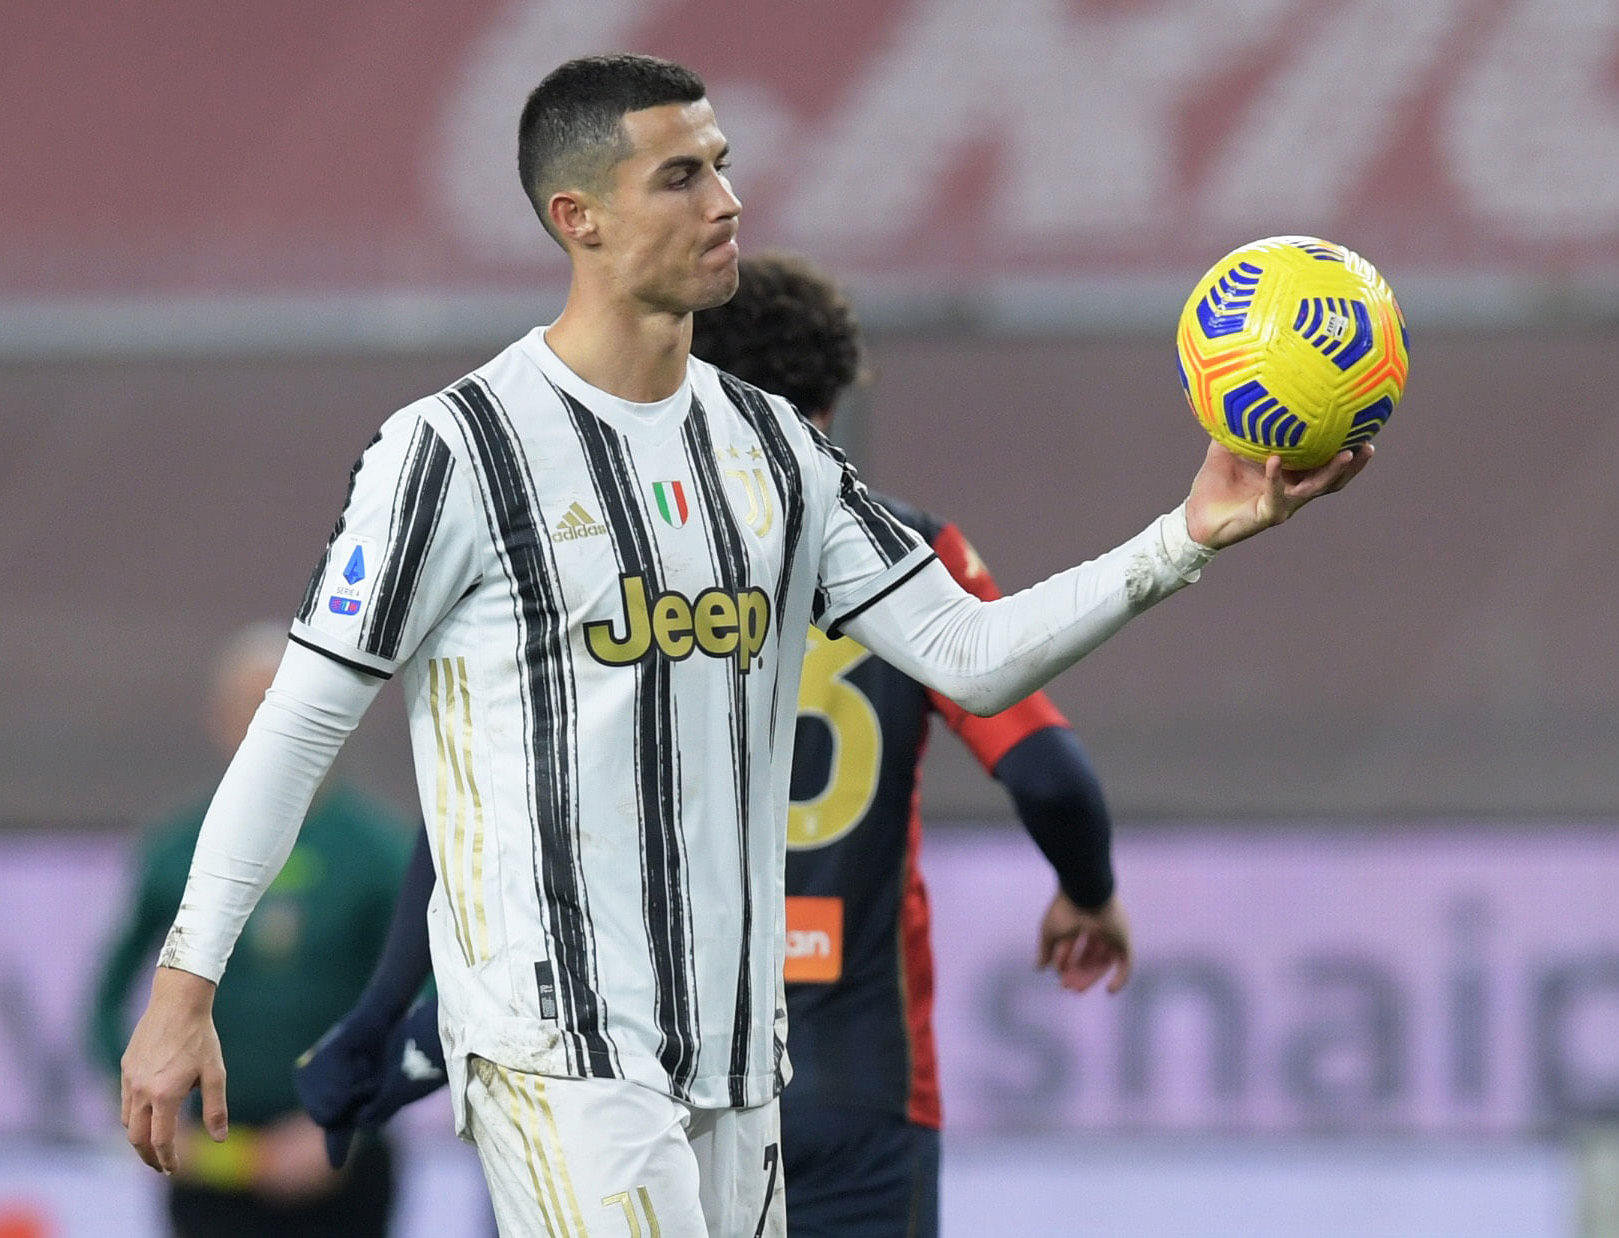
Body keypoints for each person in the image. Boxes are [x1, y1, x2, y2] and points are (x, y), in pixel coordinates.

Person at [119, 52, 1371, 1238]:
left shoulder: (775, 447)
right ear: (580, 217)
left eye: (721, 165)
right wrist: (185, 989)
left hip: (740, 1051)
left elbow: (971, 653)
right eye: (682, 175)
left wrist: (1188, 535)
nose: (728, 202)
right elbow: (299, 727)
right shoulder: (454, 452)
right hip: (563, 1051)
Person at [291, 252, 1137, 1236]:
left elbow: (478, 806)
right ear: (832, 399)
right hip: (859, 1079)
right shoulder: (911, 553)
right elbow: (1049, 774)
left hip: (616, 1060)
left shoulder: (610, 560)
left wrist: (384, 1006)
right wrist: (1089, 888)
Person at [89, 622, 409, 1238]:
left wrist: (351, 1119)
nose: (267, 730)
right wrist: (135, 1095)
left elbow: (422, 997)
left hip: (337, 1160)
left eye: (283, 708)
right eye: (250, 708)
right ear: (218, 716)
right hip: (211, 1163)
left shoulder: (376, 853)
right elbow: (103, 1000)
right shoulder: (177, 848)